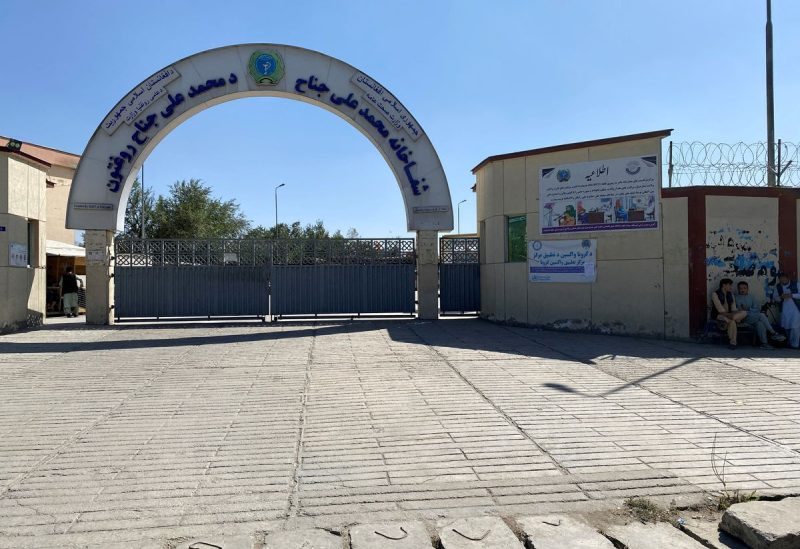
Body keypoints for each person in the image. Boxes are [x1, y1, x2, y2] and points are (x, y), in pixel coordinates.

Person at [735, 281, 786, 349]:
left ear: (747, 289)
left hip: (752, 317)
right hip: (741, 318)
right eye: (741, 288)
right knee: (761, 315)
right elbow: (734, 309)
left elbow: (757, 309)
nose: (742, 290)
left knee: (760, 323)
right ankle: (773, 333)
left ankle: (764, 343)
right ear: (738, 289)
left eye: (744, 288)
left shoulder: (752, 297)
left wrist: (749, 309)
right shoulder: (735, 297)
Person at [711, 278, 746, 349]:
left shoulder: (730, 294)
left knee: (744, 312)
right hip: (719, 315)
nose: (731, 287)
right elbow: (720, 311)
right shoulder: (715, 294)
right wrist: (732, 316)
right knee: (731, 321)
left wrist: (736, 313)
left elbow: (734, 309)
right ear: (724, 285)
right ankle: (733, 343)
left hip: (730, 315)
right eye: (729, 285)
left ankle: (734, 318)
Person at [772, 272, 800, 349]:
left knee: (795, 327)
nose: (783, 281)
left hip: (796, 309)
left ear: (788, 278)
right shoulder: (778, 287)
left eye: (784, 279)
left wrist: (792, 295)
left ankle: (795, 345)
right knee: (787, 326)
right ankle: (789, 343)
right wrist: (781, 297)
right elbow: (775, 297)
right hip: (784, 310)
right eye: (781, 280)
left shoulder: (796, 284)